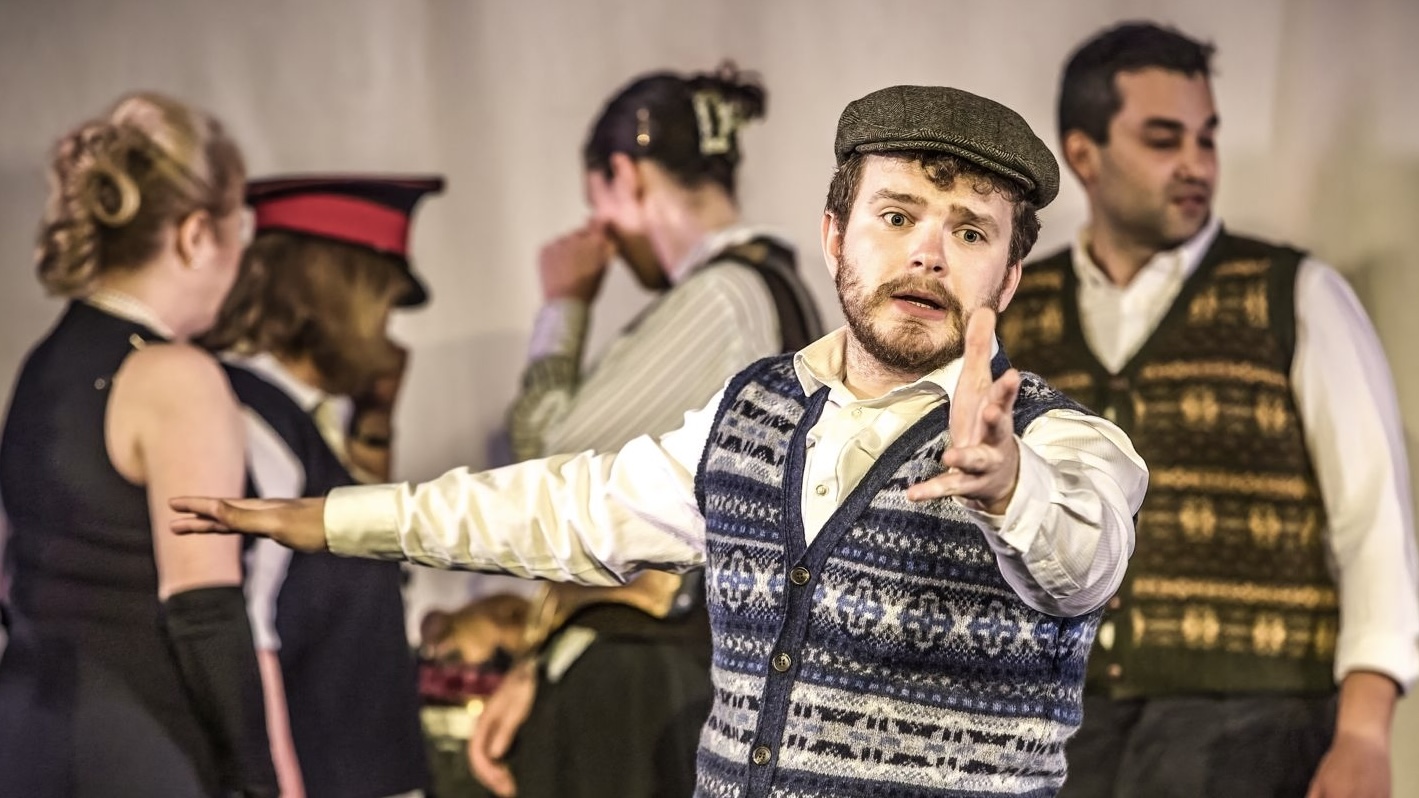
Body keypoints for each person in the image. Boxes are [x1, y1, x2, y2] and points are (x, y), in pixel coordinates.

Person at [172, 84, 1149, 797]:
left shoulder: (1065, 444)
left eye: (972, 233)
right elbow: (566, 506)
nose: (929, 254)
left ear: (1010, 279)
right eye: (896, 218)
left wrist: (1008, 488)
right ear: (836, 234)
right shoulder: (752, 410)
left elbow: (1086, 559)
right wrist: (339, 518)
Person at [997, 22, 1419, 797]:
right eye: (1163, 139)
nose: (1195, 164)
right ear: (1083, 154)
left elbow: (1374, 522)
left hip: (1253, 724)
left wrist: (1362, 731)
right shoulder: (1018, 310)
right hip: (1056, 721)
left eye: (1206, 137)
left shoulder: (1291, 294)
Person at [466, 64, 823, 798]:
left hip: (660, 673)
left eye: (597, 202)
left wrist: (562, 309)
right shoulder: (775, 289)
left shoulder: (721, 296)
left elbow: (547, 468)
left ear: (624, 178)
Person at [0, 92, 276, 797]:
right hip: (141, 748)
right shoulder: (175, 377)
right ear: (194, 235)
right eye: (239, 223)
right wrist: (258, 781)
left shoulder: (44, 363)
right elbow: (205, 611)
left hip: (28, 733)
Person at [201, 175, 442, 798]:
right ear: (339, 297)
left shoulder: (311, 417)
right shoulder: (244, 421)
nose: (391, 338)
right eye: (383, 306)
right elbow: (243, 634)